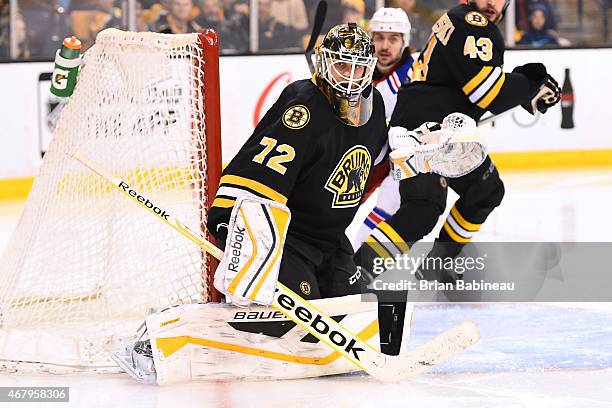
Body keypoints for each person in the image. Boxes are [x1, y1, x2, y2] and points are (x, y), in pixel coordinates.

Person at [354, 0, 561, 284]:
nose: (491, 2)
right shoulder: (472, 23)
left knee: (486, 190)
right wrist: (529, 83)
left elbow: (480, 87)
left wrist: (524, 86)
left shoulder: (464, 20)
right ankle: (357, 273)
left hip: (444, 129)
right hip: (423, 130)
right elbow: (487, 94)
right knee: (424, 207)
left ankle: (440, 263)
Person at [207, 22, 388, 301]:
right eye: (342, 65)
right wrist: (228, 219)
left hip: (333, 240)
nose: (350, 77)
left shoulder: (374, 106)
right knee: (297, 319)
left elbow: (373, 161)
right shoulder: (303, 104)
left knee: (354, 313)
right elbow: (260, 168)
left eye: (358, 67)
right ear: (325, 63)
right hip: (290, 241)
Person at [352, 7, 415, 250]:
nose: (385, 46)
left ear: (404, 42)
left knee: (389, 205)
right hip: (372, 156)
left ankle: (357, 260)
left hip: (404, 159)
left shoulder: (416, 74)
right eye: (379, 38)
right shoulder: (358, 72)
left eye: (393, 38)